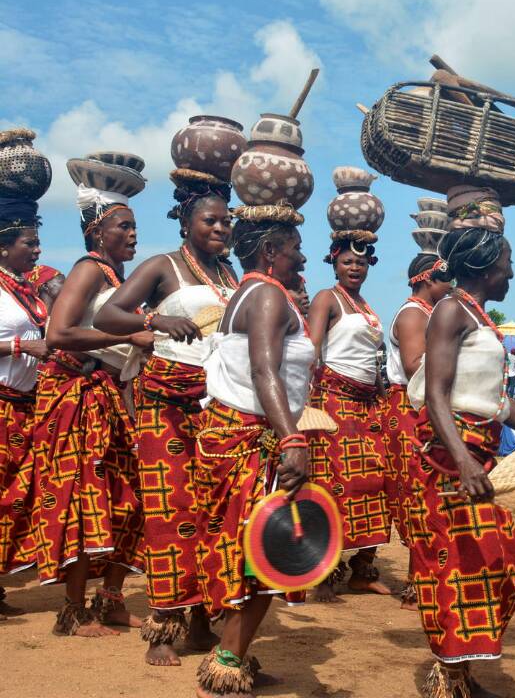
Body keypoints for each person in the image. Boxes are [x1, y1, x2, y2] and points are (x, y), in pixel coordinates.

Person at [408, 205, 515, 696]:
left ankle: (458, 669)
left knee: (497, 561)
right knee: (459, 560)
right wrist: (462, 460)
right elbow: (437, 394)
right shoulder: (450, 311)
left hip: (477, 453)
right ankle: (450, 674)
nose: (512, 271)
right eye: (507, 262)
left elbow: (498, 404)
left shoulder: (478, 317)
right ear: (487, 268)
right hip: (451, 457)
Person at [94, 168, 237, 663]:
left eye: (227, 221)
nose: (221, 229)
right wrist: (155, 320)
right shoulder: (162, 267)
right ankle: (163, 629)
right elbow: (107, 317)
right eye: (211, 221)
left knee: (212, 512)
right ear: (187, 224)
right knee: (170, 511)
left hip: (213, 402)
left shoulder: (230, 275)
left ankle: (202, 622)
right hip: (164, 403)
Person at [193, 208, 311, 697]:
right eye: (294, 248)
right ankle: (224, 666)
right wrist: (291, 438)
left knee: (250, 548)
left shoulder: (251, 292)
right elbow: (265, 371)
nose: (302, 258)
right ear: (269, 252)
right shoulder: (266, 295)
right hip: (254, 435)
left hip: (239, 431)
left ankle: (232, 653)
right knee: (262, 553)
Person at [35, 157, 150, 637]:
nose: (132, 234)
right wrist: (124, 340)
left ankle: (111, 597)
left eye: (134, 226)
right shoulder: (89, 270)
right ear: (98, 231)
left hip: (111, 395)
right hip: (80, 397)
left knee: (137, 497)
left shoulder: (117, 278)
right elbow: (58, 333)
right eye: (123, 226)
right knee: (88, 499)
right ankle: (74, 609)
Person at [307, 231, 392, 601]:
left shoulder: (366, 307)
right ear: (334, 264)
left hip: (367, 403)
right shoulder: (328, 298)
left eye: (359, 262)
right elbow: (311, 347)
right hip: (332, 401)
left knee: (378, 480)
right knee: (333, 485)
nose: (354, 267)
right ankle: (321, 571)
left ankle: (362, 569)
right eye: (347, 262)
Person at [383, 252, 452, 610]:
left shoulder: (429, 314)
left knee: (428, 494)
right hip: (408, 410)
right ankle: (417, 585)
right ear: (428, 280)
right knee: (418, 495)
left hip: (420, 408)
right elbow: (414, 367)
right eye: (446, 279)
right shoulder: (413, 314)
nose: (451, 285)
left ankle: (422, 580)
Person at [0, 198, 51, 618]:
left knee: (16, 499)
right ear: (3, 247)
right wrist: (21, 344)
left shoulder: (23, 289)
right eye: (29, 243)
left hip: (23, 407)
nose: (36, 251)